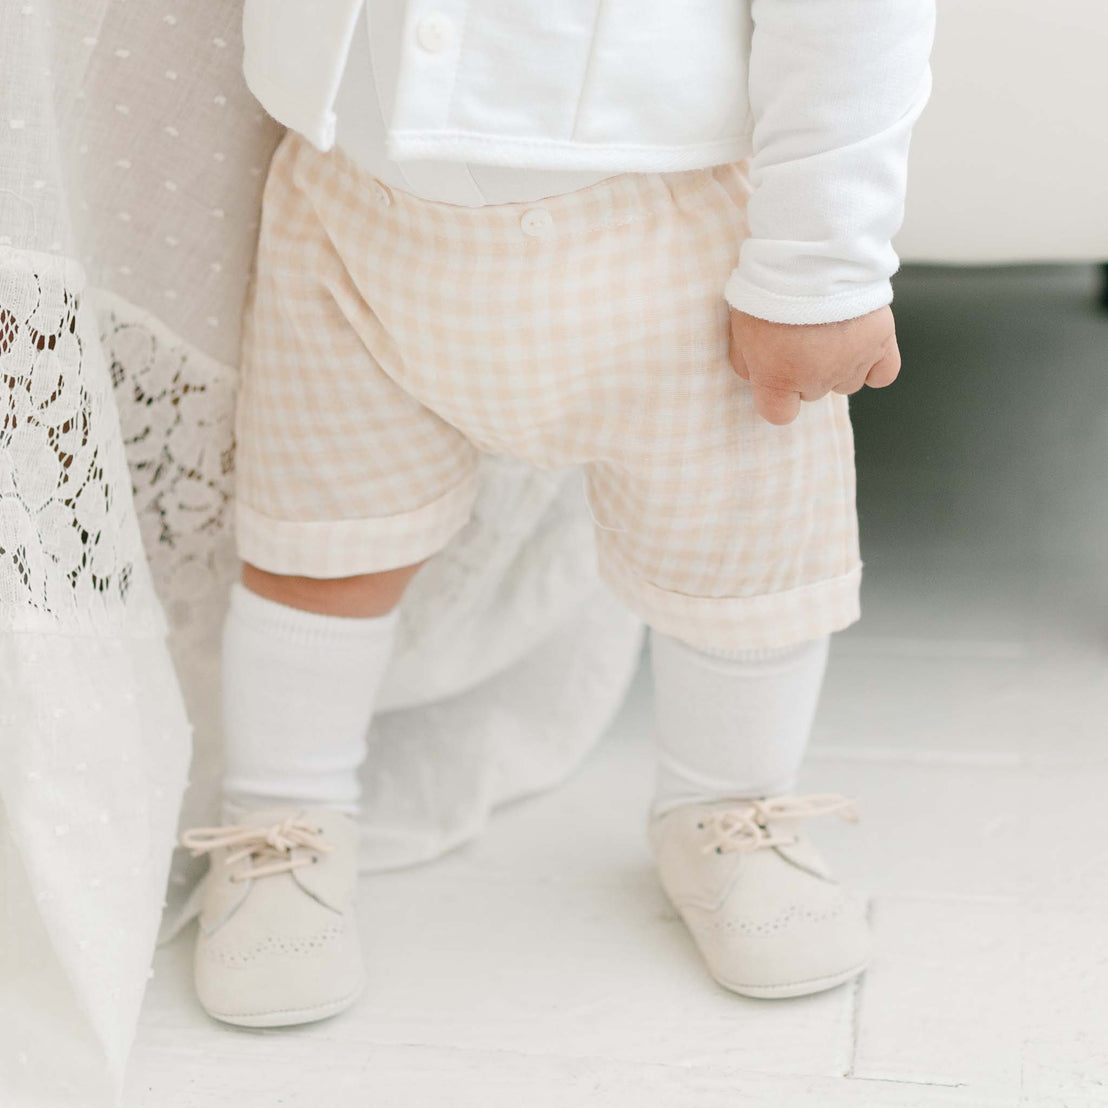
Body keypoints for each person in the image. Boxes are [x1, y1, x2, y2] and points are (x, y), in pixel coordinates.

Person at [179, 0, 935, 1026]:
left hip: (675, 232)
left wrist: (821, 268)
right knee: (319, 533)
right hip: (354, 210)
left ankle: (730, 802)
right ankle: (282, 816)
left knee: (738, 547)